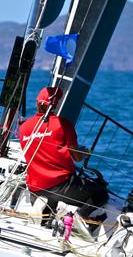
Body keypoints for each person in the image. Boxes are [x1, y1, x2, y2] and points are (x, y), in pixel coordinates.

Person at [17, 86, 108, 219]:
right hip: (61, 186)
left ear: (37, 103)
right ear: (56, 104)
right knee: (101, 193)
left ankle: (46, 216)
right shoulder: (63, 124)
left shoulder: (23, 127)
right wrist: (84, 152)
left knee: (52, 198)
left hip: (35, 188)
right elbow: (77, 158)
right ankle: (81, 217)